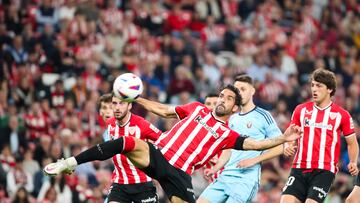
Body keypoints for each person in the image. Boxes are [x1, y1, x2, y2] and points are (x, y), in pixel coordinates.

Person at [44, 84, 302, 203]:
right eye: (221, 95)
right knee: (126, 141)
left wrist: (284, 138)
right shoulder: (196, 109)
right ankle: (70, 162)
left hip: (179, 174)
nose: (221, 99)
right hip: (159, 155)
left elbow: (256, 145)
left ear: (235, 107)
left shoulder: (227, 133)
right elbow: (164, 111)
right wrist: (138, 99)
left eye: (227, 98)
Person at [198, 75, 285, 203]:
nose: (239, 93)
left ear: (253, 91)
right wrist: (215, 169)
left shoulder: (263, 116)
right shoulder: (233, 118)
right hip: (225, 176)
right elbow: (229, 149)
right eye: (237, 90)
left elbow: (280, 146)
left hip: (245, 180)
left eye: (243, 89)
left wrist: (254, 160)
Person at [280, 69, 359, 203]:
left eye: (319, 86)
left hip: (324, 171)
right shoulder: (301, 110)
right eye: (312, 85)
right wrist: (287, 145)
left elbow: (352, 142)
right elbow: (290, 135)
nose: (314, 89)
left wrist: (352, 161)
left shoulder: (342, 115)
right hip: (299, 168)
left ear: (329, 89)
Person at [98, 93, 162, 203]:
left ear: (130, 106)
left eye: (122, 103)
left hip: (143, 184)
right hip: (120, 184)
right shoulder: (110, 125)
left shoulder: (142, 124)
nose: (117, 107)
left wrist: (157, 169)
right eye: (114, 103)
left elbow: (163, 141)